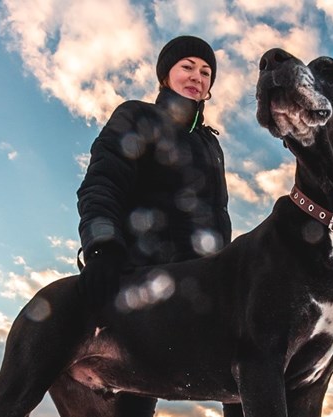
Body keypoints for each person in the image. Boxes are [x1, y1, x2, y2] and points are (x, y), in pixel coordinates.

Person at [75, 35, 232, 416]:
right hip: (149, 281)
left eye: (206, 71)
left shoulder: (212, 146)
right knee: (135, 397)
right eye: (187, 67)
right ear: (166, 75)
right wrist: (102, 244)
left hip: (208, 287)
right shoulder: (138, 116)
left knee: (246, 377)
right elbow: (103, 181)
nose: (197, 77)